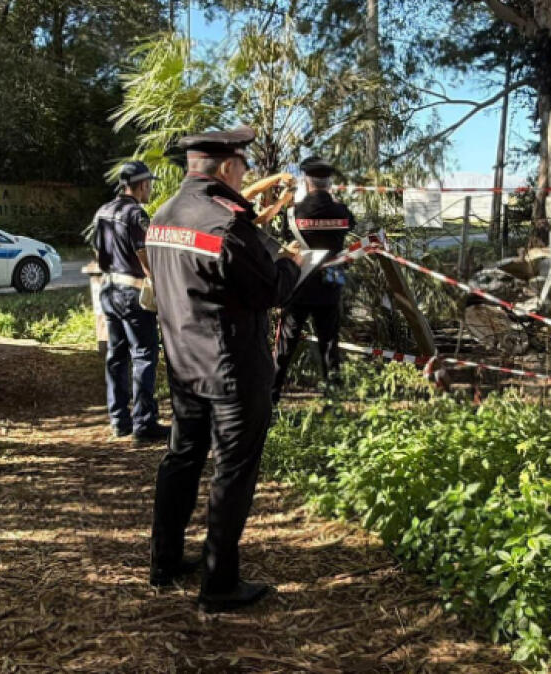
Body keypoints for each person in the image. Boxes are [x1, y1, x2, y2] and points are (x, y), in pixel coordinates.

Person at [146, 125, 302, 612]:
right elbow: (272, 290)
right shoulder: (227, 226)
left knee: (182, 458)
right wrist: (292, 261)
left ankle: (164, 561)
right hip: (232, 368)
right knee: (233, 470)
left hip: (183, 363)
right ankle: (219, 584)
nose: (245, 175)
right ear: (229, 167)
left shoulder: (163, 216)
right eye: (243, 167)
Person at [91, 160, 168, 444]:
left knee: (116, 356)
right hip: (132, 293)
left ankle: (118, 420)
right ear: (141, 185)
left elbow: (99, 254)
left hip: (109, 289)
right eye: (149, 184)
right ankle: (144, 422)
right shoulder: (136, 214)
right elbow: (144, 255)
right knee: (144, 355)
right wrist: (158, 283)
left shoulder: (103, 211)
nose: (149, 189)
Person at [271, 156, 356, 404]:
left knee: (286, 345)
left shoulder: (293, 213)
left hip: (299, 284)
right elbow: (350, 225)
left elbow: (287, 239)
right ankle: (333, 400)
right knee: (330, 343)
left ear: (306, 181)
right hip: (331, 283)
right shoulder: (341, 211)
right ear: (328, 182)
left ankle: (272, 395)